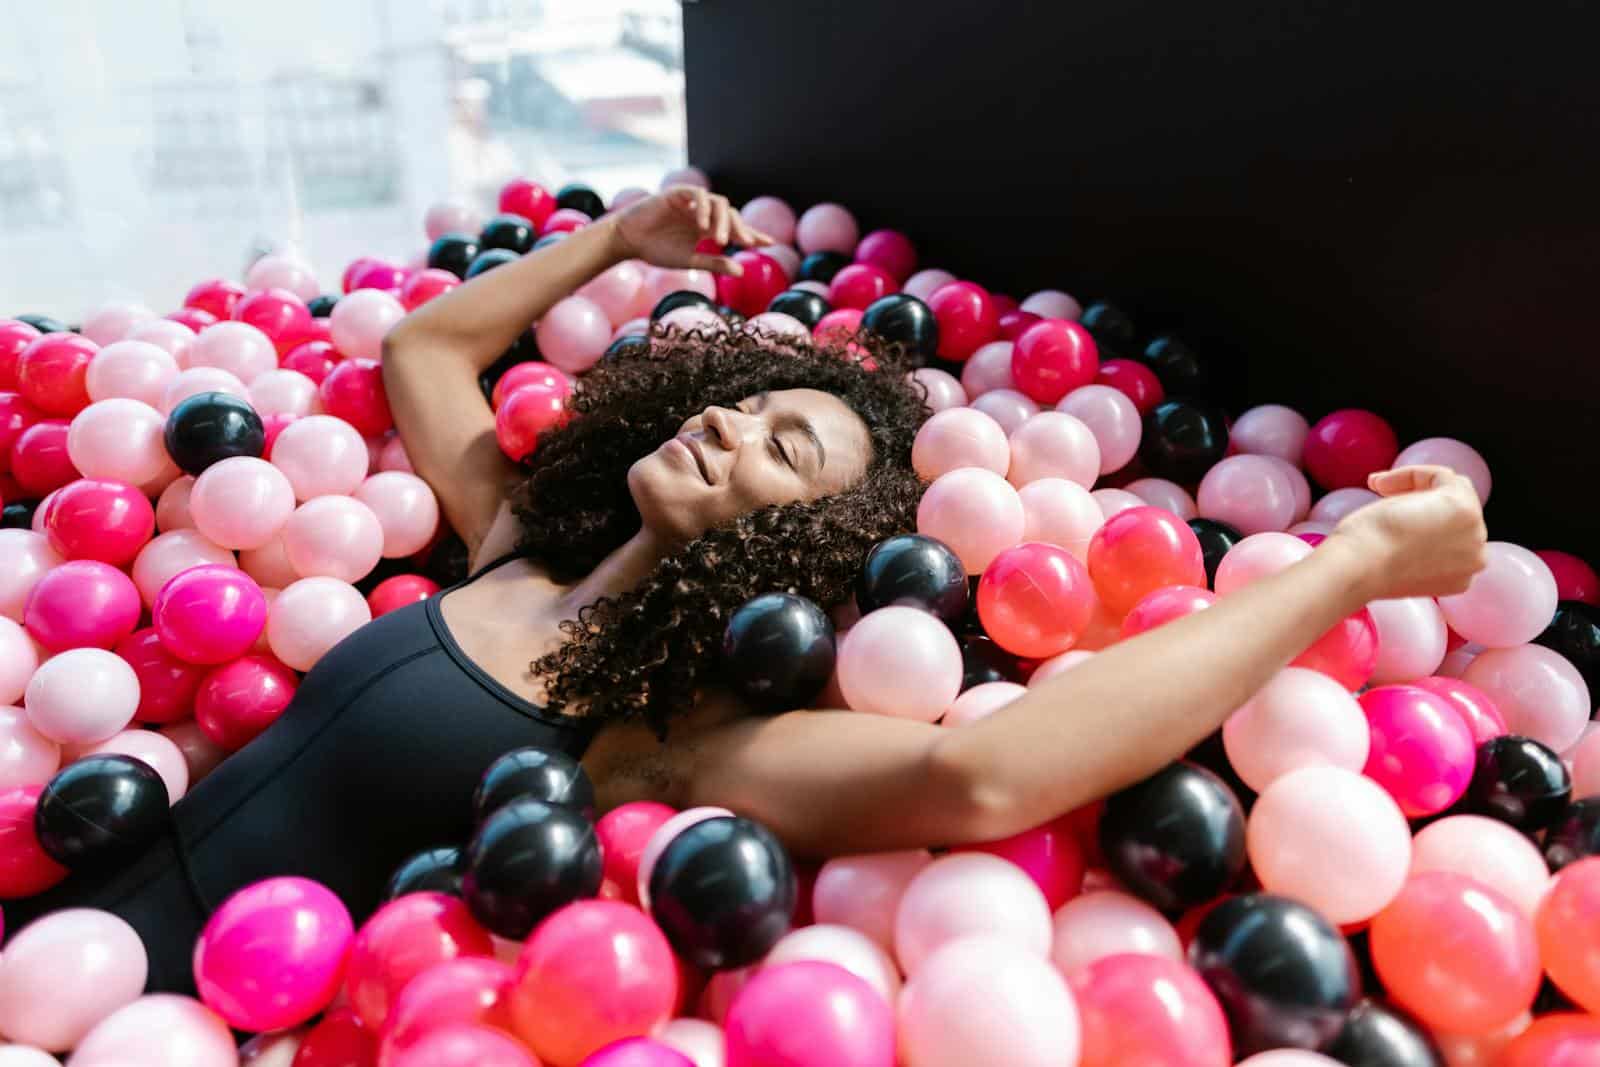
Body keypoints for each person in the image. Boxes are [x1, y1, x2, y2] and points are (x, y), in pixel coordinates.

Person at [3, 186, 1489, 994]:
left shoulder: (665, 729)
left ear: (799, 550)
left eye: (782, 446)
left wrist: (1353, 560)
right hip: (51, 910)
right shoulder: (521, 540)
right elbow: (424, 358)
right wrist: (625, 239)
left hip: (163, 1020)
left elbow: (981, 777)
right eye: (733, 406)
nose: (721, 426)